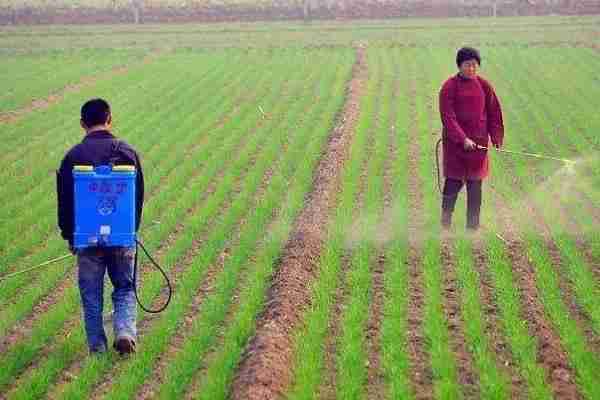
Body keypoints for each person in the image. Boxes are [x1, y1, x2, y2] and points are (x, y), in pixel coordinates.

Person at [57, 98, 144, 355]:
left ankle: (97, 349)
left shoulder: (73, 156)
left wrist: (70, 236)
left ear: (83, 124)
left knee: (92, 297)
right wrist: (130, 231)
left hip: (86, 238)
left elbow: (64, 202)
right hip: (122, 236)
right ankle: (126, 332)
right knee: (125, 288)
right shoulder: (127, 152)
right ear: (110, 119)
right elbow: (137, 198)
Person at [439, 47, 504, 231]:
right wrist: (462, 139)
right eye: (468, 65)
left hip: (479, 146)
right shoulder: (449, 87)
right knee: (453, 182)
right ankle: (445, 223)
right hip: (455, 146)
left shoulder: (484, 85)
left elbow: (494, 112)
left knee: (475, 186)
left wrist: (496, 136)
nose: (472, 69)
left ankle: (472, 227)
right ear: (459, 65)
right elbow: (448, 117)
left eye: (475, 65)